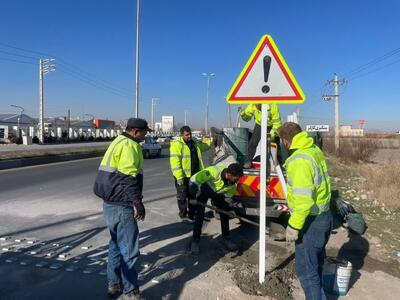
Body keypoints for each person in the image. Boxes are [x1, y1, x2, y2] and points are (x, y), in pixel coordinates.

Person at [93, 118, 151, 300]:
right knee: (129, 249)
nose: (145, 135)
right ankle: (131, 290)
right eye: (144, 132)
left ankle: (114, 284)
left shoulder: (117, 141)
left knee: (116, 245)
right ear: (135, 131)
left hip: (109, 203)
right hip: (122, 204)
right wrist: (137, 202)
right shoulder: (129, 145)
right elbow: (127, 177)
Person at [277, 122, 332, 300]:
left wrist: (293, 226)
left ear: (285, 142)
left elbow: (303, 202)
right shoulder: (313, 149)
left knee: (307, 272)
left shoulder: (298, 160)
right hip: (324, 216)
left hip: (311, 222)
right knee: (316, 267)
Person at [188, 163, 243, 254]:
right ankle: (195, 240)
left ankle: (226, 238)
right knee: (200, 215)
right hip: (204, 190)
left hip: (217, 195)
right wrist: (193, 197)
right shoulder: (213, 172)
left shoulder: (232, 185)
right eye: (236, 178)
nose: (237, 180)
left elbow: (227, 198)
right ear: (229, 174)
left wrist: (230, 206)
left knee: (224, 213)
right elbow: (193, 180)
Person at [170, 126, 210, 221]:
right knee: (182, 196)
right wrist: (179, 177)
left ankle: (192, 215)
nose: (189, 136)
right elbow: (175, 162)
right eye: (187, 135)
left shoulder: (194, 143)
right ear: (181, 135)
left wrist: (209, 140)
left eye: (190, 134)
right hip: (183, 176)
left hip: (194, 175)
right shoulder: (177, 145)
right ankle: (183, 215)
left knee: (193, 195)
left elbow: (204, 146)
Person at [239, 104, 282, 168]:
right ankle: (247, 162)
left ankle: (278, 164)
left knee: (274, 144)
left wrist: (272, 135)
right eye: (256, 106)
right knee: (253, 143)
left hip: (272, 126)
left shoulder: (273, 106)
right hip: (259, 125)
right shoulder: (253, 105)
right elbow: (247, 119)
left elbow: (277, 123)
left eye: (258, 107)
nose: (257, 108)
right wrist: (243, 114)